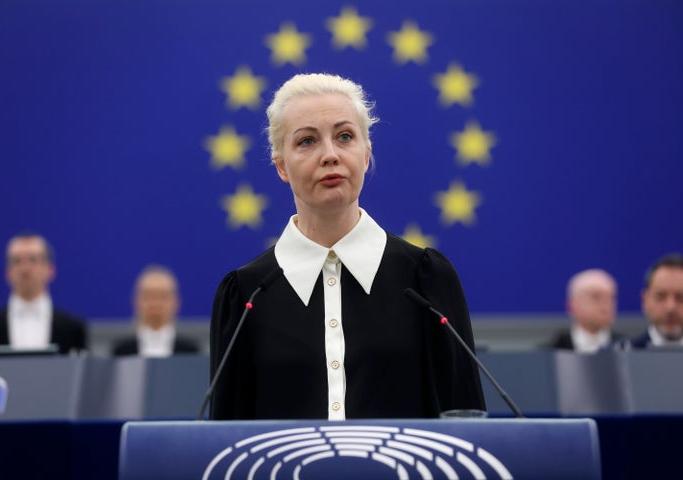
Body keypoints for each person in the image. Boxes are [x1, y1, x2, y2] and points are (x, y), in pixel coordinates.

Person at [209, 73, 485, 420]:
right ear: (281, 166)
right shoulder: (246, 293)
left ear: (366, 154)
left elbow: (467, 429)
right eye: (307, 141)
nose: (330, 155)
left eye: (344, 137)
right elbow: (225, 449)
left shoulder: (425, 278)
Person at [0, 232, 87, 354]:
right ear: (8, 272)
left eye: (33, 260)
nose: (25, 269)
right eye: (17, 261)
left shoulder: (72, 328)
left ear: (50, 270)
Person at [111, 265, 199, 356]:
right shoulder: (121, 352)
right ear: (136, 301)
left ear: (176, 302)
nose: (155, 303)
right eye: (149, 296)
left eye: (163, 296)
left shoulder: (191, 352)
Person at [547, 269, 623, 352]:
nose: (605, 306)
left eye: (610, 298)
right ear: (571, 306)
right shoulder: (550, 352)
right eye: (596, 297)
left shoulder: (626, 349)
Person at [623, 253, 683, 349]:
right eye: (661, 296)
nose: (670, 307)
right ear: (645, 300)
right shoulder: (621, 355)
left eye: (680, 298)